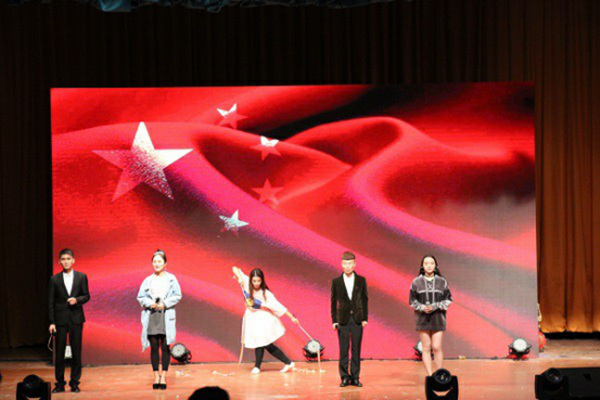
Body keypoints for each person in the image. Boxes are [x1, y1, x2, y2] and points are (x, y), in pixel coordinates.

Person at [232, 266, 298, 374]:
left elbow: (278, 306)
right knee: (259, 342)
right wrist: (239, 277)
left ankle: (284, 363)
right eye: (254, 281)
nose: (256, 283)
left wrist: (291, 317)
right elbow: (235, 268)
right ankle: (261, 366)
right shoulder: (247, 283)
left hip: (263, 318)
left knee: (264, 343)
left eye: (258, 281)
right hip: (252, 318)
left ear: (262, 280)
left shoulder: (265, 293)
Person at [137, 249, 182, 390]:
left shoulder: (171, 279)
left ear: (165, 263)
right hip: (152, 315)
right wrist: (150, 303)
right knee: (154, 347)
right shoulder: (147, 280)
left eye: (159, 261)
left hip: (165, 314)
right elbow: (140, 297)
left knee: (165, 346)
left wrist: (165, 303)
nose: (157, 264)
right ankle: (156, 375)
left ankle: (164, 376)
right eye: (154, 261)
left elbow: (177, 295)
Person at [48, 248, 90, 393]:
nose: (66, 261)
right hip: (60, 320)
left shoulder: (81, 277)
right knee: (59, 353)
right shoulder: (54, 279)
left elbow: (86, 295)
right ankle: (59, 384)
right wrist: (52, 322)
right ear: (59, 262)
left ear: (73, 260)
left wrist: (76, 300)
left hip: (76, 318)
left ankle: (74, 383)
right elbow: (50, 302)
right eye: (63, 259)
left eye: (68, 259)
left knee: (76, 351)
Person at [409, 255, 453, 376]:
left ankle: (439, 374)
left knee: (436, 347)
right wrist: (422, 307)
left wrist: (436, 306)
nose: (429, 266)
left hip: (438, 318)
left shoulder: (442, 282)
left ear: (435, 266)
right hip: (422, 318)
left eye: (431, 263)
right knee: (426, 347)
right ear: (422, 266)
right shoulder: (416, 282)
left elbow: (449, 299)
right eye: (426, 263)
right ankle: (430, 375)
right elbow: (412, 301)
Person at [331, 251, 368, 387]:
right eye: (345, 264)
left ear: (354, 264)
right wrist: (334, 320)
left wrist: (365, 318)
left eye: (350, 263)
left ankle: (355, 377)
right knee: (344, 349)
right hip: (343, 319)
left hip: (357, 318)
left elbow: (364, 299)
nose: (347, 266)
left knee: (356, 348)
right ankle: (344, 377)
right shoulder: (336, 281)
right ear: (342, 264)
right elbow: (333, 302)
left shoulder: (361, 280)